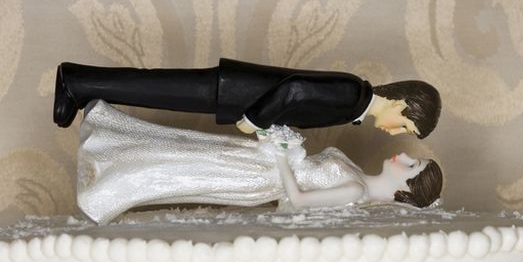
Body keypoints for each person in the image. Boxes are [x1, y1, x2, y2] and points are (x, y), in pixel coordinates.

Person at [76, 101, 442, 224]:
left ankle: (104, 187)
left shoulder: (355, 190)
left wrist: (282, 155)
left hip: (258, 176)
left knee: (184, 170)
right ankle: (108, 142)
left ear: (405, 188)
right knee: (185, 148)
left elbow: (297, 200)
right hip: (259, 161)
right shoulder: (357, 176)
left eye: (412, 166)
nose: (404, 156)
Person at [54, 58, 440, 139]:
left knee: (154, 91)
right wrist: (256, 120)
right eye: (405, 127)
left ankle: (83, 87)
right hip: (236, 91)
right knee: (153, 87)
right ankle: (74, 80)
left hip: (236, 94)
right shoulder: (353, 93)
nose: (395, 133)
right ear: (401, 105)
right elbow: (295, 90)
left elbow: (297, 106)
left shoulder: (354, 105)